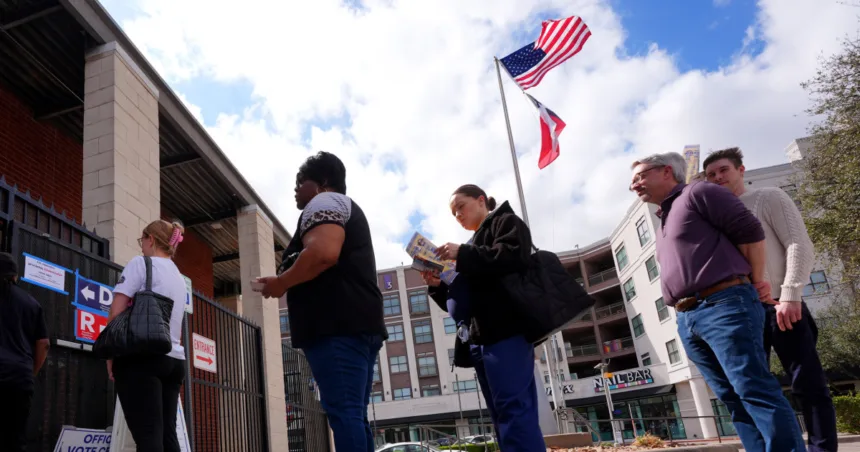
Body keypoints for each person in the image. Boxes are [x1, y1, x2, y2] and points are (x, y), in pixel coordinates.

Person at [629, 152, 806, 452]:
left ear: (667, 171)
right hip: (687, 317)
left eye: (640, 176)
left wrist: (756, 281)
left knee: (752, 387)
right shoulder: (663, 220)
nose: (635, 185)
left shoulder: (699, 192)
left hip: (724, 304)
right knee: (731, 397)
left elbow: (751, 232)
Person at [704, 147, 836, 452]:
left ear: (741, 170)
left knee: (809, 385)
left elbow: (798, 244)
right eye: (711, 175)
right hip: (742, 312)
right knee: (751, 391)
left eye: (723, 170)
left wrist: (790, 294)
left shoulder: (768, 197)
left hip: (781, 304)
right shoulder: (714, 217)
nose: (718, 177)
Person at [257, 151, 387, 452]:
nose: (295, 188)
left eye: (300, 180)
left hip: (336, 326)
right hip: (356, 323)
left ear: (322, 182)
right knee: (353, 414)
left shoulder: (324, 202)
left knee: (345, 414)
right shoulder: (341, 207)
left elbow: (323, 253)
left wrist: (281, 283)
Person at [424, 184, 546, 451]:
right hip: (479, 336)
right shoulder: (471, 245)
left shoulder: (505, 222)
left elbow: (512, 257)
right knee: (501, 413)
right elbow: (460, 299)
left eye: (460, 207)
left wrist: (463, 254)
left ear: (481, 200)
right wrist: (437, 285)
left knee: (513, 409)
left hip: (505, 330)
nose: (458, 215)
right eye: (454, 213)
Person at [107, 220, 188, 452]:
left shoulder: (141, 263)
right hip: (174, 360)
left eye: (141, 241)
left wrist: (111, 356)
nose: (141, 247)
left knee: (149, 438)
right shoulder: (179, 277)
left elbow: (116, 311)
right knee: (167, 437)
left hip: (142, 358)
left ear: (150, 239)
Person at [0, 252, 50, 451]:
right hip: (19, 377)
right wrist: (31, 371)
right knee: (15, 439)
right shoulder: (31, 303)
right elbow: (44, 343)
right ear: (15, 276)